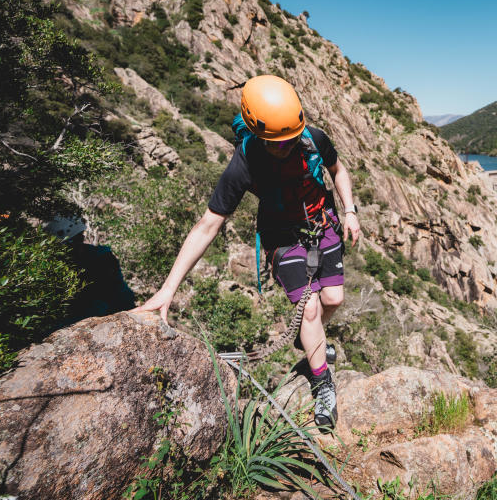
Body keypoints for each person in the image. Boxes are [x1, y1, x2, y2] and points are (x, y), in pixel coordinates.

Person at [133, 75, 361, 429]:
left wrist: (349, 211)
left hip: (322, 223)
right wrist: (168, 289)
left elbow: (338, 171)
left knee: (332, 299)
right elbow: (208, 225)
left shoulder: (313, 139)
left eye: (290, 140)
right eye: (277, 142)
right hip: (281, 235)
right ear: (257, 133)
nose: (286, 147)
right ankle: (322, 383)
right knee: (311, 308)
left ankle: (311, 342)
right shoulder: (244, 164)